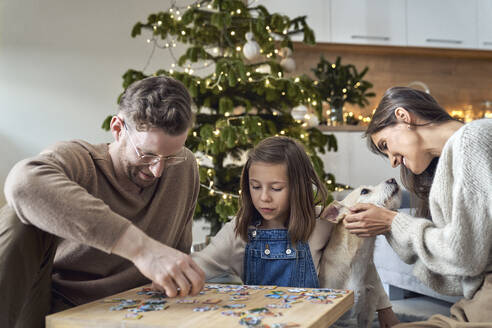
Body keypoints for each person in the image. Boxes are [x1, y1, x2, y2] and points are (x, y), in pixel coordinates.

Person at [0, 76, 205, 328]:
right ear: (118, 129)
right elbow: (22, 184)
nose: (157, 170)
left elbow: (178, 251)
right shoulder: (81, 161)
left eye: (170, 156)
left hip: (136, 308)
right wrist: (142, 249)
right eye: (147, 154)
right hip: (58, 304)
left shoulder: (183, 166)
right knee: (16, 217)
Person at [191, 136, 398, 327]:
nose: (264, 197)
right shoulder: (239, 230)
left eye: (276, 188)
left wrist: (384, 306)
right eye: (255, 186)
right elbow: (199, 265)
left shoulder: (323, 221)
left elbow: (360, 260)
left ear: (299, 187)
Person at [344, 86, 492, 327]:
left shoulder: (472, 138)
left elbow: (464, 257)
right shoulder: (449, 163)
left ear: (403, 116)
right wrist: (387, 225)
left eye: (385, 145)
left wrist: (392, 222)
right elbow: (456, 273)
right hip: (475, 300)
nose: (392, 161)